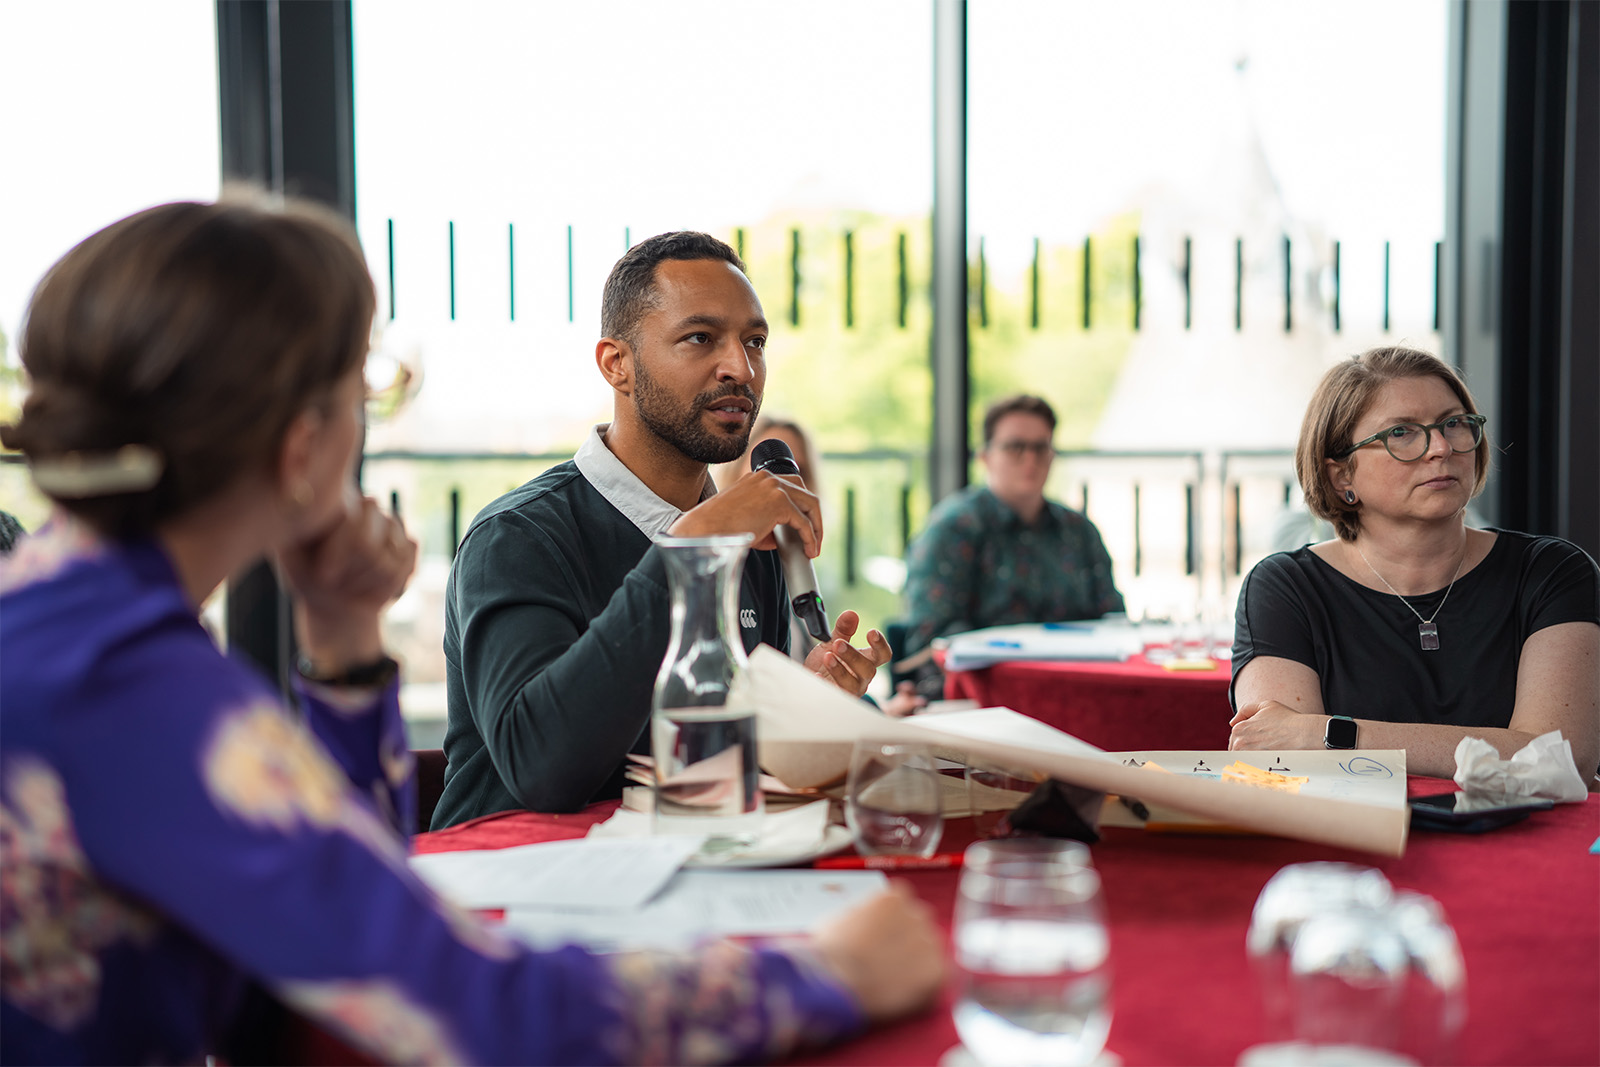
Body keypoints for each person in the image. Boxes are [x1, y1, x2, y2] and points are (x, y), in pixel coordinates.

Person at [0, 199, 944, 1065]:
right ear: (300, 443)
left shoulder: (62, 621)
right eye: (362, 387)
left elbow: (352, 895)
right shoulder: (136, 689)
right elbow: (472, 1008)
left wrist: (341, 641)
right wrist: (826, 977)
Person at [437, 232, 892, 826]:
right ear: (616, 364)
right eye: (700, 338)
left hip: (692, 879)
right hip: (526, 893)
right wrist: (690, 547)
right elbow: (542, 768)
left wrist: (802, 711)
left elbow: (717, 770)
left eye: (754, 342)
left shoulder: (749, 546)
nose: (742, 368)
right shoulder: (517, 538)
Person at [1229, 346, 1600, 781]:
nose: (1441, 448)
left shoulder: (1552, 571)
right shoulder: (1284, 587)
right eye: (1402, 432)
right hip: (1359, 841)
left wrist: (1332, 734)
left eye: (1454, 424)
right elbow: (1285, 761)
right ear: (1342, 476)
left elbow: (1561, 760)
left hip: (1526, 842)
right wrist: (1500, 750)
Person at [900, 394, 1124, 698]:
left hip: (1078, 689)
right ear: (985, 457)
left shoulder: (1078, 530)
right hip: (982, 696)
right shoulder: (953, 528)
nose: (1030, 460)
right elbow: (932, 635)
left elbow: (1112, 619)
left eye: (1040, 448)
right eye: (1015, 447)